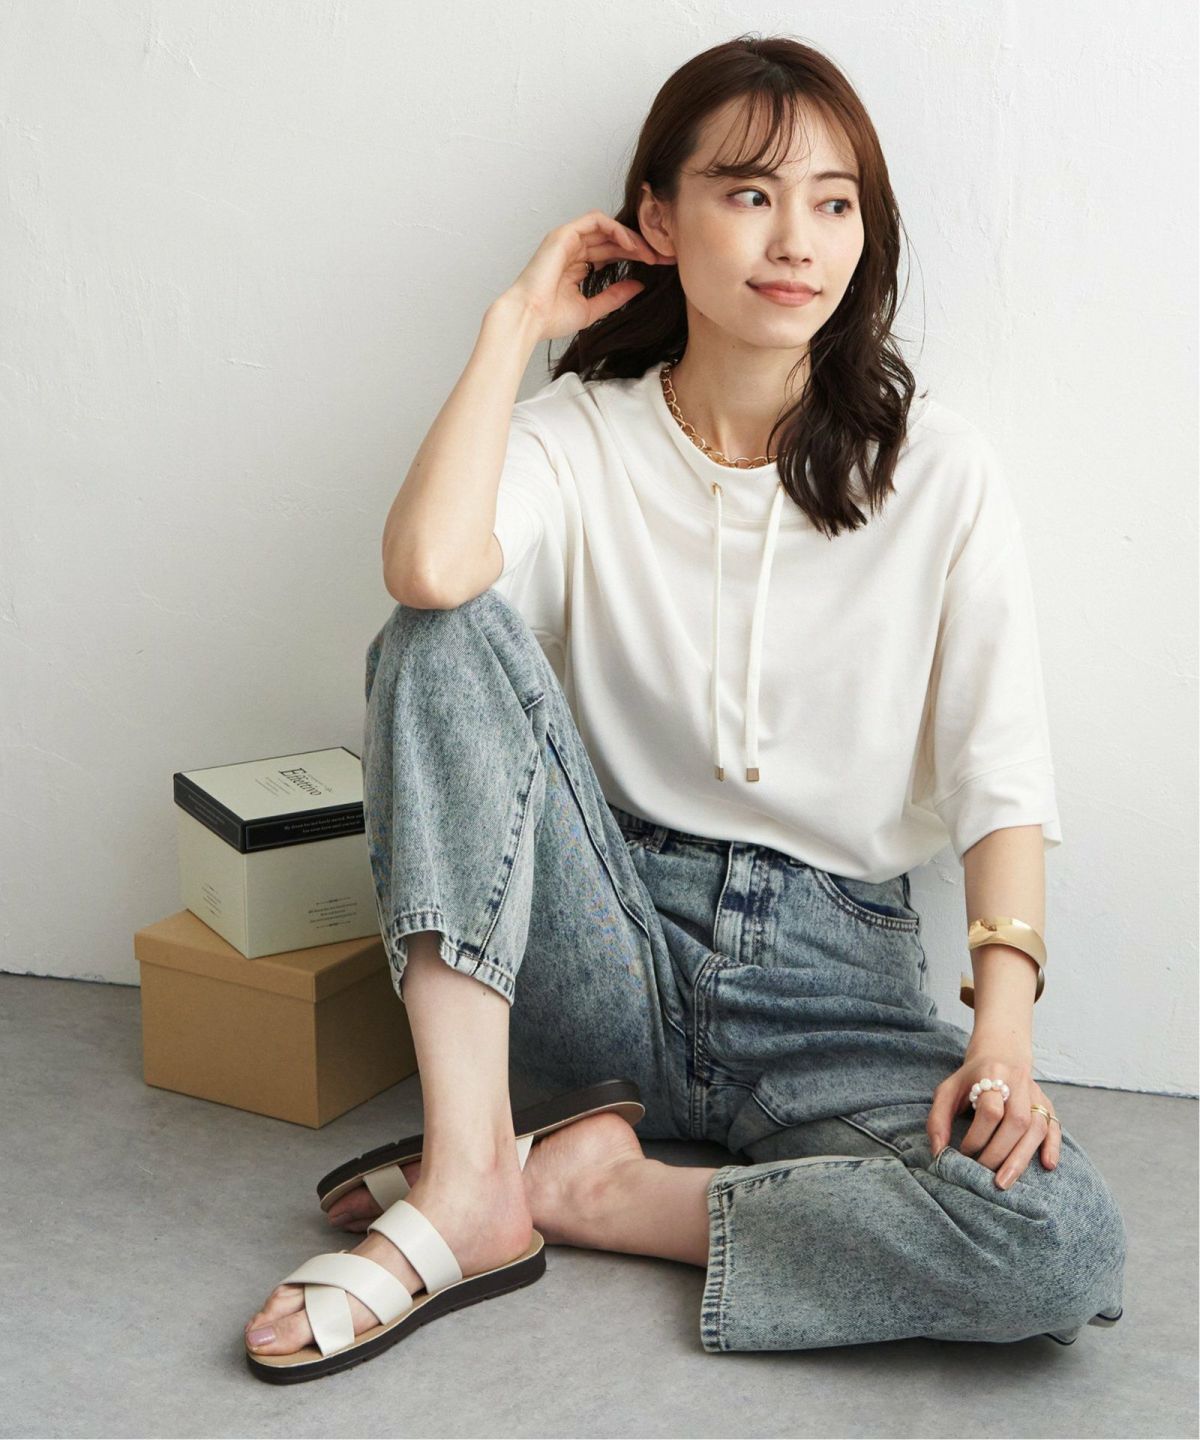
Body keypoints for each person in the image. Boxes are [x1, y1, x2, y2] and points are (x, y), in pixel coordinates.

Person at [243, 34, 1126, 1374]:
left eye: (834, 202)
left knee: (1059, 1242)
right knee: (441, 626)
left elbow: (1001, 771)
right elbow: (426, 569)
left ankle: (587, 1189)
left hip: (836, 992)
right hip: (604, 945)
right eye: (750, 192)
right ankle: (473, 1173)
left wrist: (1002, 1033)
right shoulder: (581, 433)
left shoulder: (939, 471)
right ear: (658, 220)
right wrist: (514, 327)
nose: (796, 240)